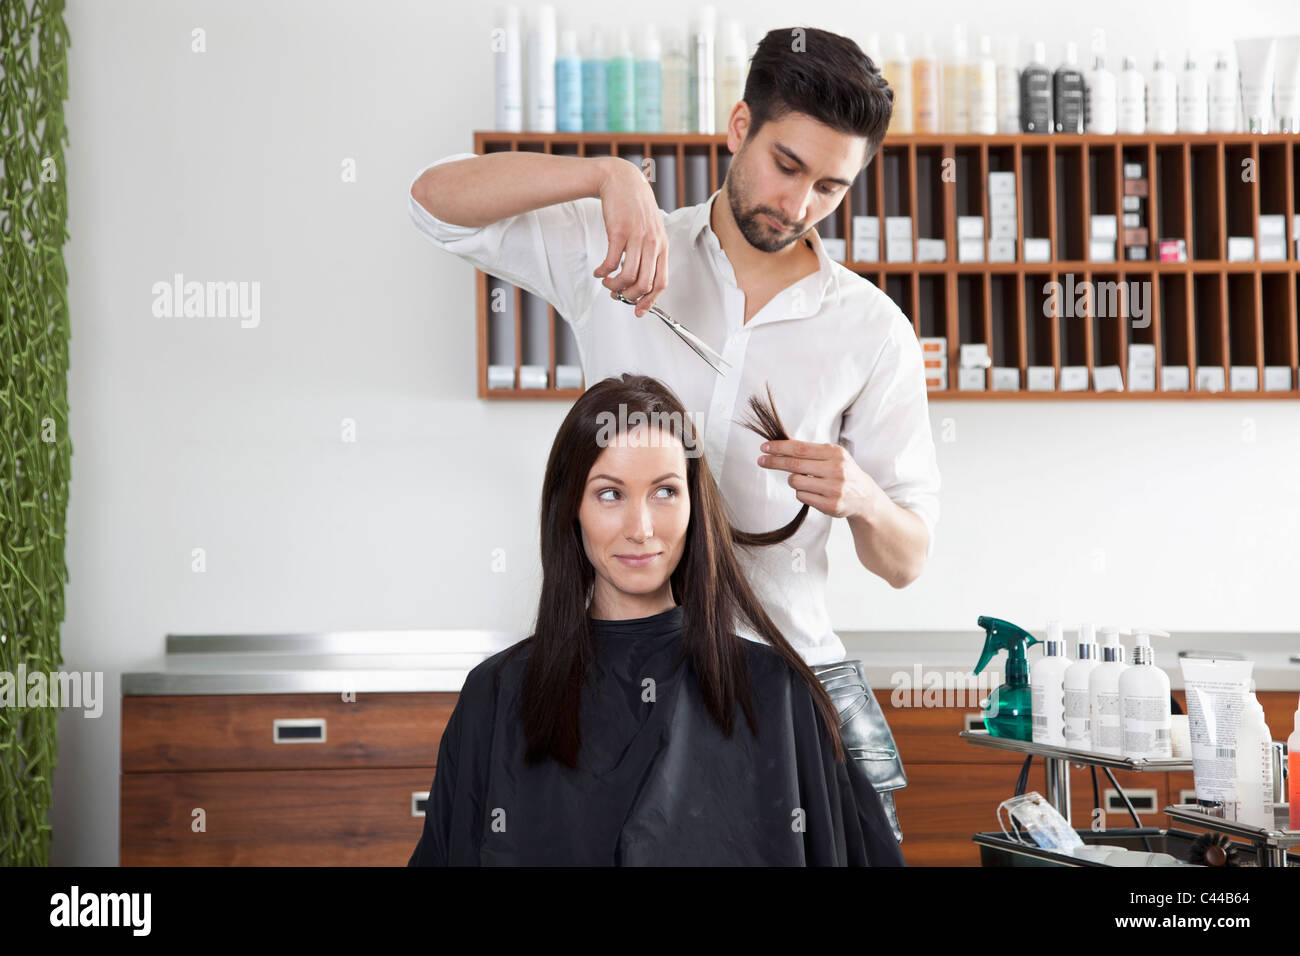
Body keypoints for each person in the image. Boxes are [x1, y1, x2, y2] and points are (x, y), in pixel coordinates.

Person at [408, 27, 940, 841]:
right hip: (629, 676)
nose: (797, 207)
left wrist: (862, 498)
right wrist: (605, 176)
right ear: (738, 127)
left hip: (794, 684)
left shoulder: (872, 331)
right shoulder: (620, 244)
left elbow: (907, 560)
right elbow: (432, 201)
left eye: (831, 188)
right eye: (786, 166)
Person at [407, 374, 905, 866]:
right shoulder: (495, 695)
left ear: (694, 505)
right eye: (610, 494)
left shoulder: (778, 693)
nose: (641, 529)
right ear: (570, 509)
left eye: (665, 492)